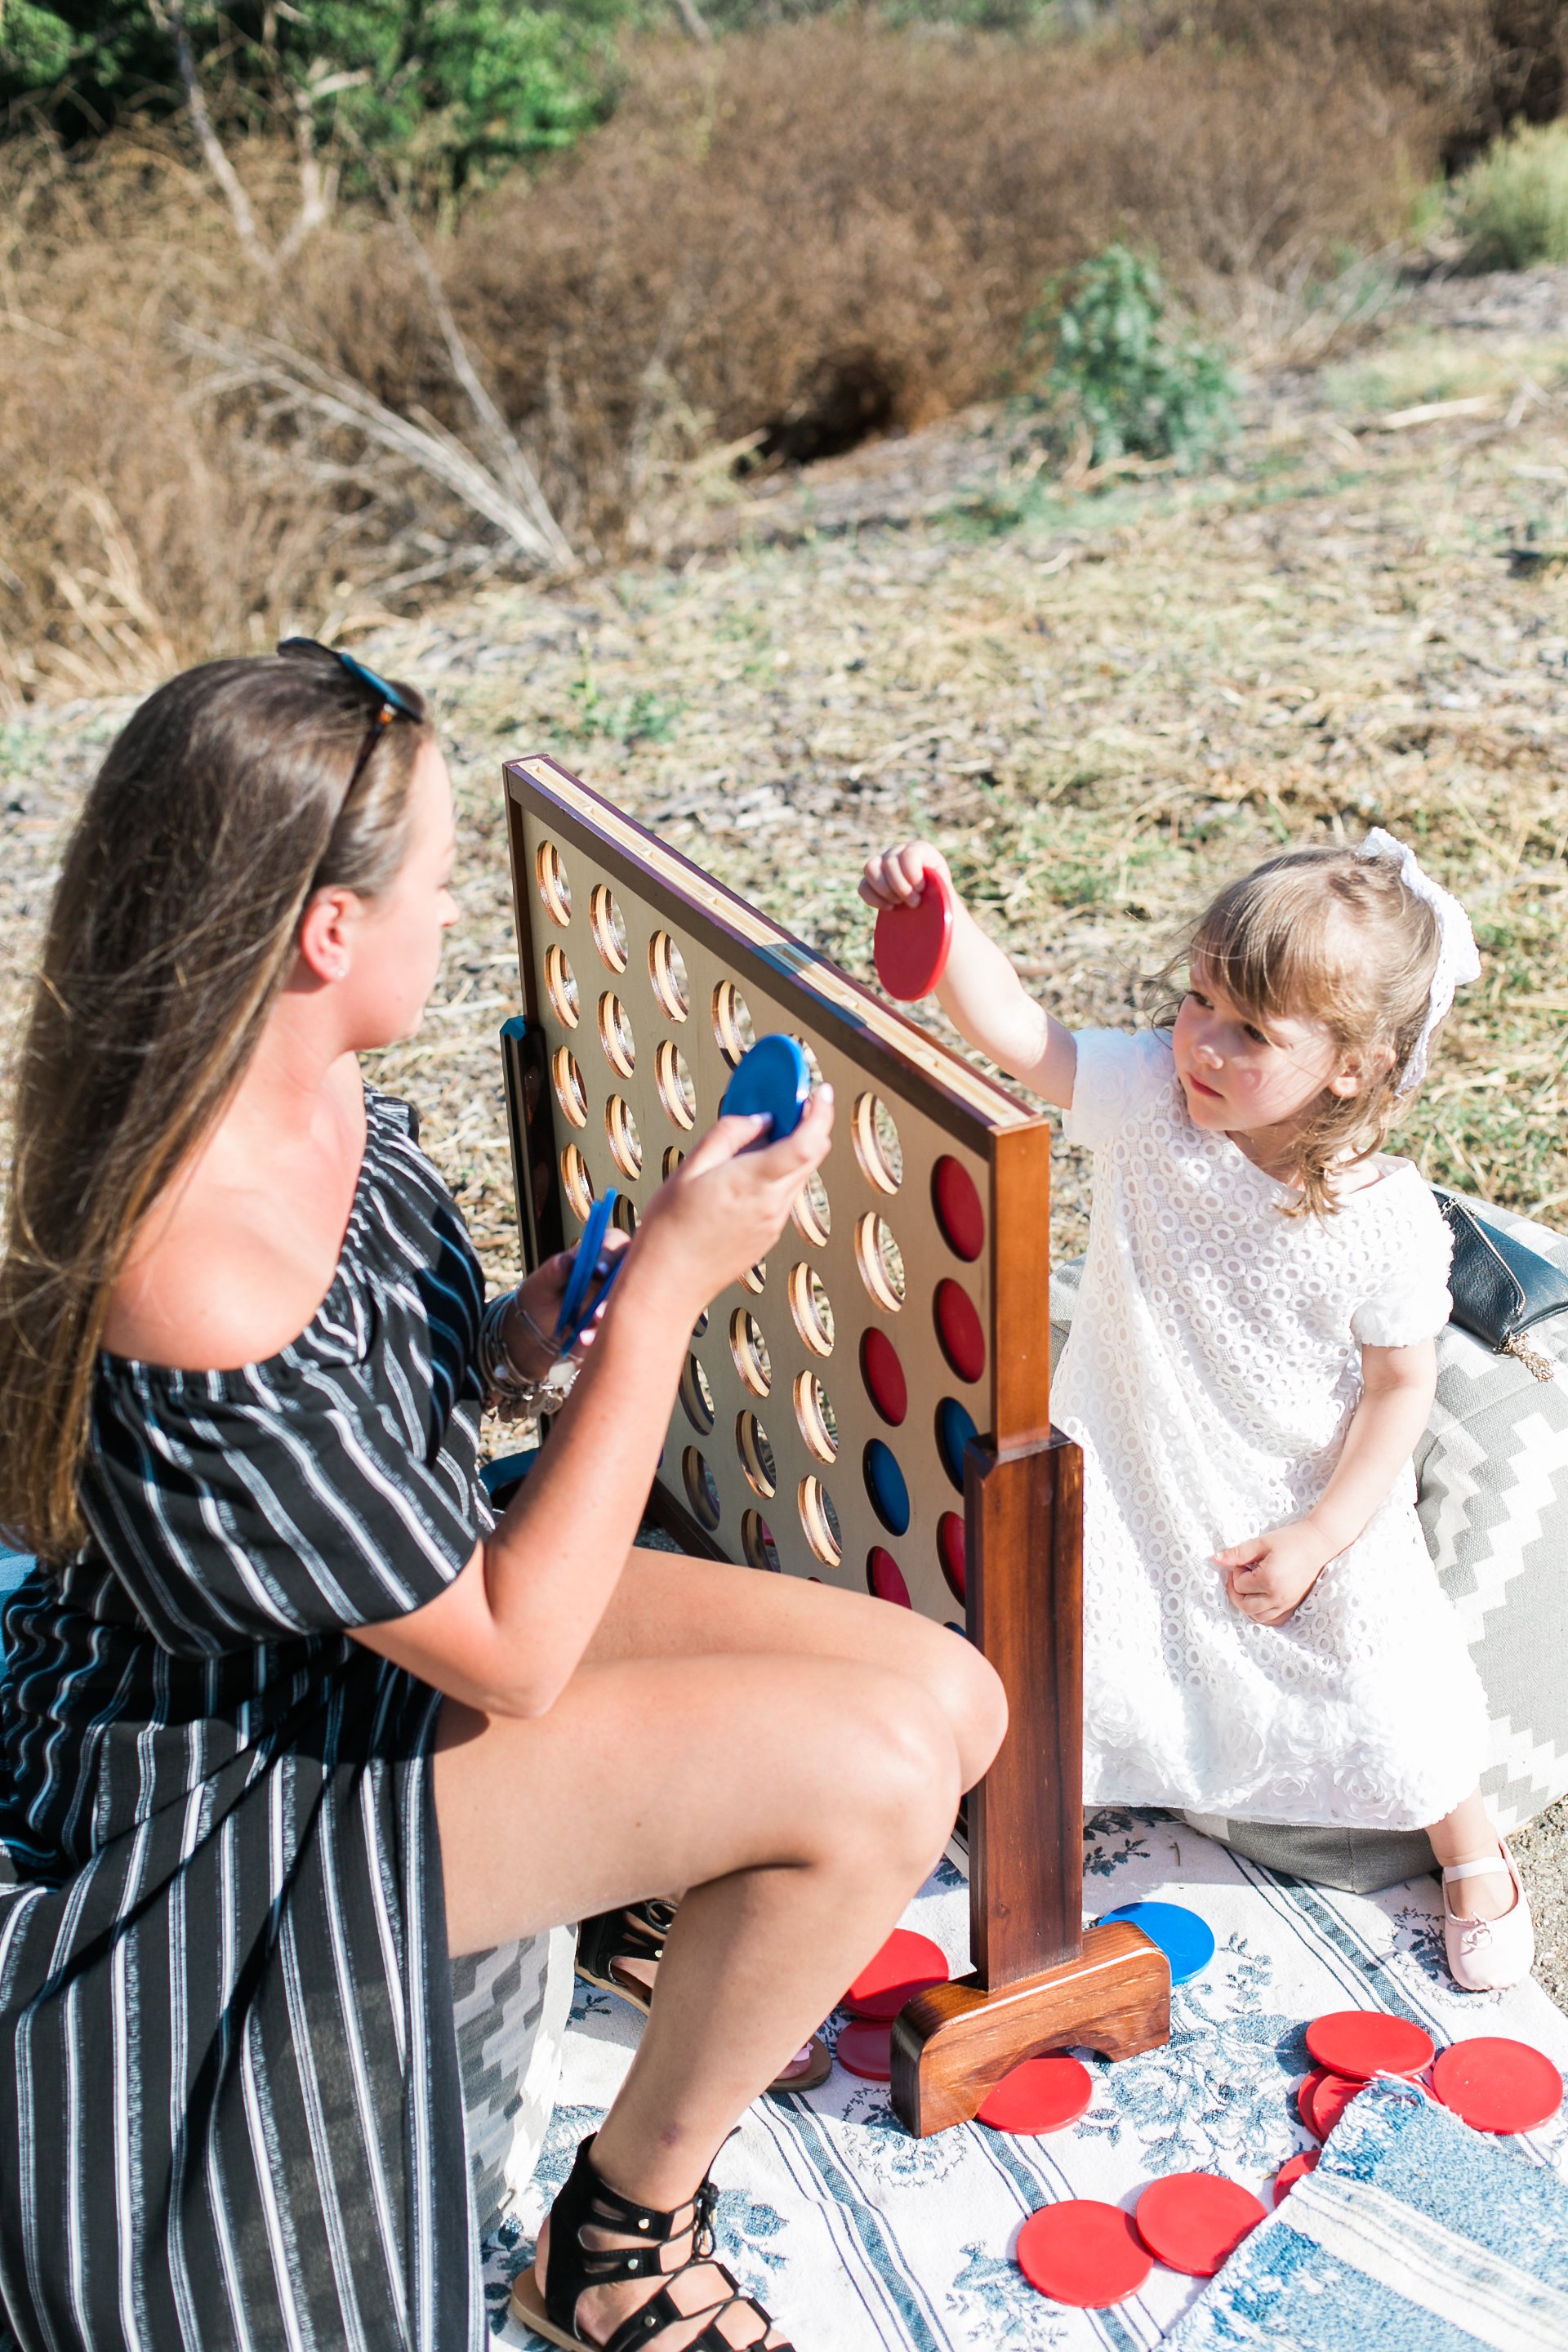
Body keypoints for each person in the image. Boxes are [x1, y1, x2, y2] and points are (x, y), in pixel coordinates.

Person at [0, 647, 1007, 2352]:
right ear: (331, 932)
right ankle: (617, 2238)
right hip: (239, 1783)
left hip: (375, 1627)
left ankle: (634, 1875)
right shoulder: (198, 1268)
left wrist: (511, 1337)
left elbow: (364, 1419)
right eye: (446, 884)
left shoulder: (292, 1078)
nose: (453, 911)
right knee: (874, 1780)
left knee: (952, 1697)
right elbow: (515, 1654)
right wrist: (673, 1295)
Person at [861, 830, 1532, 1994]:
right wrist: (947, 924)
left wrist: (1325, 1535)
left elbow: (1398, 1388)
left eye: (1249, 1032)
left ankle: (1471, 1854)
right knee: (1073, 1663)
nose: (1200, 1046)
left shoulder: (1385, 1219)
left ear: (1355, 1068)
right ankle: (1040, 1846)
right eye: (1195, 998)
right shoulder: (1154, 1105)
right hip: (1137, 1458)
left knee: (1395, 1691)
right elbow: (1027, 1034)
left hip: (1298, 1493)